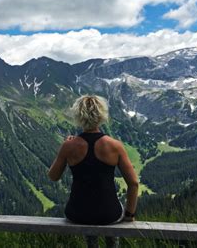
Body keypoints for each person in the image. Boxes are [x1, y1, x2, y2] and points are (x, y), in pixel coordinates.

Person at [48, 94, 139, 248]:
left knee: (89, 223)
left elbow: (53, 176)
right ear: (102, 115)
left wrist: (64, 148)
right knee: (112, 217)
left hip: (77, 213)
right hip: (109, 213)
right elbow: (134, 183)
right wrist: (130, 214)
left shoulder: (69, 146)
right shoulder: (114, 146)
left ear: (78, 116)